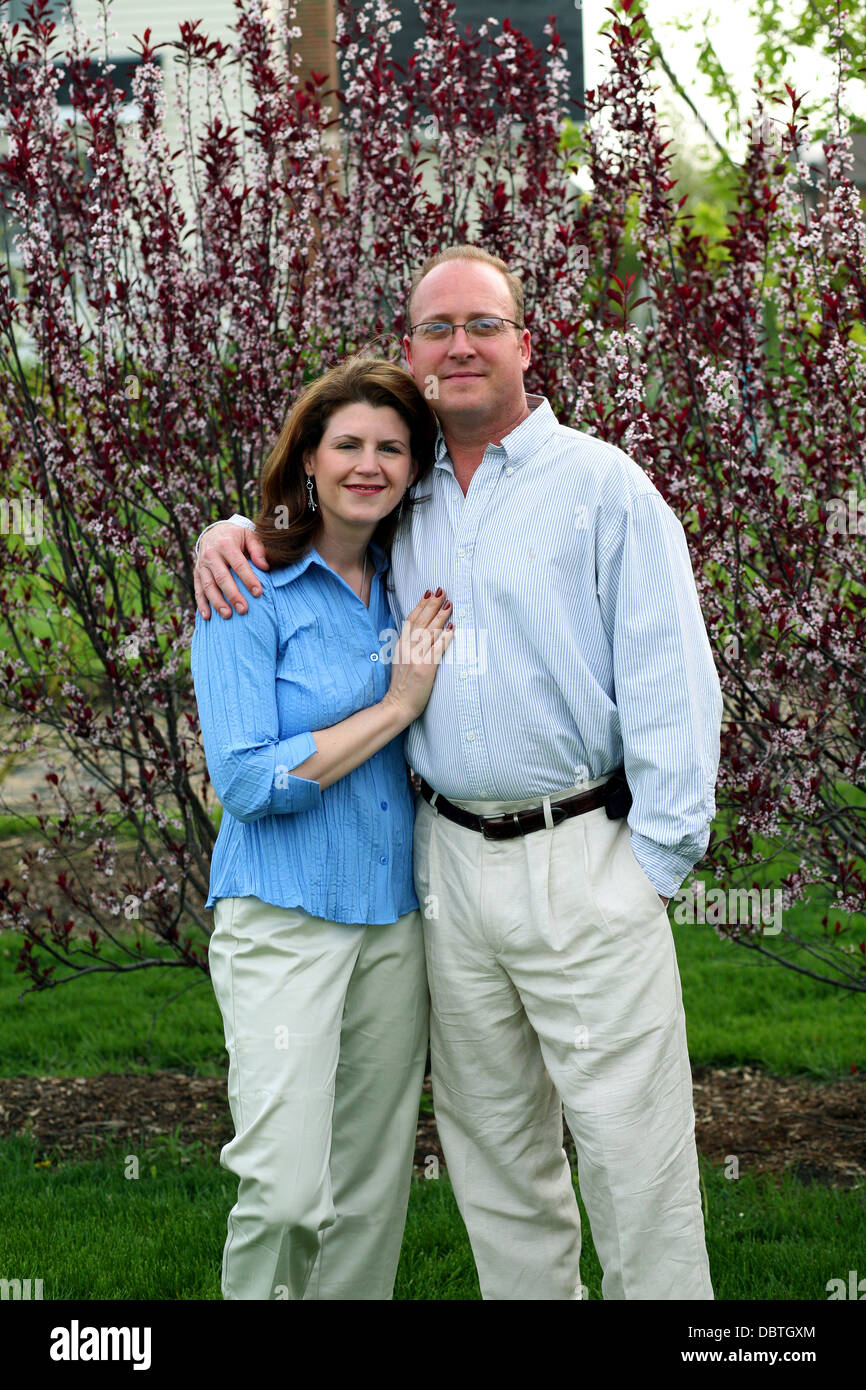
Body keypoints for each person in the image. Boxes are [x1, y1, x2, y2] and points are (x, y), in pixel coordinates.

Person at [193, 245, 723, 1301]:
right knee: (495, 1161)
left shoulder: (601, 488)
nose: (460, 345)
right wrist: (230, 532)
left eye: (482, 324)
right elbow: (310, 540)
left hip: (584, 857)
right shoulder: (405, 495)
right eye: (436, 329)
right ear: (412, 355)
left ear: (524, 344)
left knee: (630, 1156)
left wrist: (651, 867)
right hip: (444, 872)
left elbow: (673, 682)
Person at [190, 356, 453, 1300]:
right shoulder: (246, 587)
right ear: (307, 456)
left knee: (370, 1195)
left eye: (392, 447)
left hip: (392, 922)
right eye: (348, 443)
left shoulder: (411, 574)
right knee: (286, 1191)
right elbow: (250, 781)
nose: (369, 464)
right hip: (281, 915)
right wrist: (395, 707)